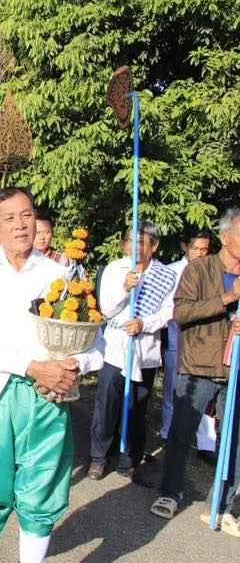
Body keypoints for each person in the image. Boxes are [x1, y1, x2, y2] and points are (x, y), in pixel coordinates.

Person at [0, 187, 103, 563]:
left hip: (46, 399)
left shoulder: (60, 275)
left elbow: (92, 342)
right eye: (10, 218)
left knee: (41, 488)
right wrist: (34, 366)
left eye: (27, 215)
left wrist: (75, 367)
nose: (20, 224)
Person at [151, 208, 240, 533]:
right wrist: (227, 298)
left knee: (234, 441)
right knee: (182, 434)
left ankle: (223, 505)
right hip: (199, 365)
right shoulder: (200, 269)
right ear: (225, 237)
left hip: (235, 369)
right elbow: (182, 312)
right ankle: (170, 492)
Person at [88, 223, 177, 481]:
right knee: (108, 402)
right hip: (116, 347)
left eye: (141, 242)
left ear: (154, 246)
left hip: (145, 349)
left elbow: (168, 312)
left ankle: (129, 458)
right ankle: (98, 456)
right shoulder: (115, 269)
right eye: (130, 241)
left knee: (137, 406)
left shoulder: (166, 276)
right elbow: (106, 308)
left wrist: (144, 324)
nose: (134, 247)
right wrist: (125, 288)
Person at [161, 229, 213, 444]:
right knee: (173, 389)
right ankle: (168, 433)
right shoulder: (171, 272)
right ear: (185, 247)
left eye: (205, 249)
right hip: (177, 340)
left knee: (206, 393)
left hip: (206, 342)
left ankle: (205, 443)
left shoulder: (213, 272)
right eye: (196, 248)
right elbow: (165, 309)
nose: (200, 254)